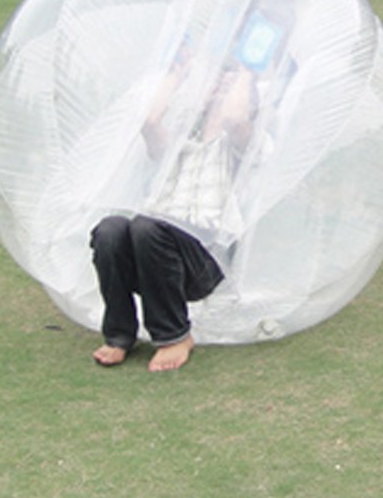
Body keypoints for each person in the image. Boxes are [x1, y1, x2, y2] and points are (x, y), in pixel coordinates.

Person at [90, 58, 259, 372]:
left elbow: (236, 119)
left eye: (228, 76)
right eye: (217, 75)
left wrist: (247, 70)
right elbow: (149, 122)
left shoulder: (245, 146)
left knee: (148, 227)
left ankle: (174, 336)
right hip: (152, 251)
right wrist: (176, 72)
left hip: (206, 259)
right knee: (110, 229)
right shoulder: (180, 143)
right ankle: (119, 334)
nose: (220, 80)